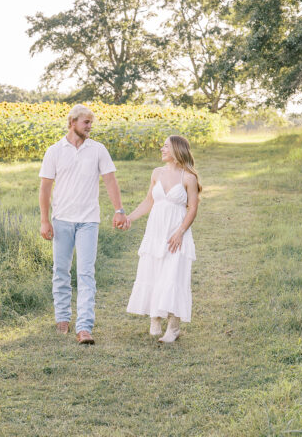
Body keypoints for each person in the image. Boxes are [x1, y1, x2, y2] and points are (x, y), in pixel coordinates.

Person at [39, 104, 127, 344]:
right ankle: (62, 318)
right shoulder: (54, 151)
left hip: (89, 221)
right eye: (85, 122)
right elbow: (45, 188)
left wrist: (119, 210)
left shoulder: (98, 150)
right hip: (62, 221)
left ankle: (84, 327)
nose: (90, 127)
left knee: (86, 273)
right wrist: (45, 220)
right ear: (72, 122)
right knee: (60, 271)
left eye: (91, 122)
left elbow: (110, 181)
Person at [123, 134, 201, 343]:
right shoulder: (156, 173)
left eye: (166, 147)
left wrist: (180, 232)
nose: (162, 149)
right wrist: (129, 218)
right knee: (154, 272)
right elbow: (149, 201)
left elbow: (192, 209)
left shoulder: (188, 178)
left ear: (177, 150)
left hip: (176, 232)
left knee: (174, 276)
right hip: (155, 232)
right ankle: (155, 317)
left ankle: (173, 327)